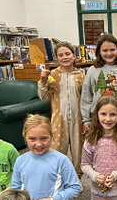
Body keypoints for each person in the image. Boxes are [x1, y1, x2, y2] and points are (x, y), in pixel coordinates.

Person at [10, 114, 83, 200]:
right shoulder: (21, 161)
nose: (38, 144)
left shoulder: (61, 160)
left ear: (52, 135)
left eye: (44, 138)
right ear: (24, 136)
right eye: (32, 139)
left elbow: (75, 187)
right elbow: (16, 187)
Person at [37, 40, 86, 176]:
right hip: (59, 119)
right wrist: (42, 82)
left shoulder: (81, 75)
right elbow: (44, 97)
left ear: (74, 56)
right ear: (57, 58)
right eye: (60, 55)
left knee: (79, 150)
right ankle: (58, 178)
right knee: (57, 149)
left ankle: (77, 178)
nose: (64, 57)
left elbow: (86, 98)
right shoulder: (52, 75)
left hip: (78, 119)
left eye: (67, 54)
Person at [80, 32, 117, 134]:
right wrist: (86, 119)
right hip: (98, 117)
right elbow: (86, 97)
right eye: (105, 50)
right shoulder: (92, 70)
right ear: (99, 52)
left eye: (112, 50)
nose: (109, 53)